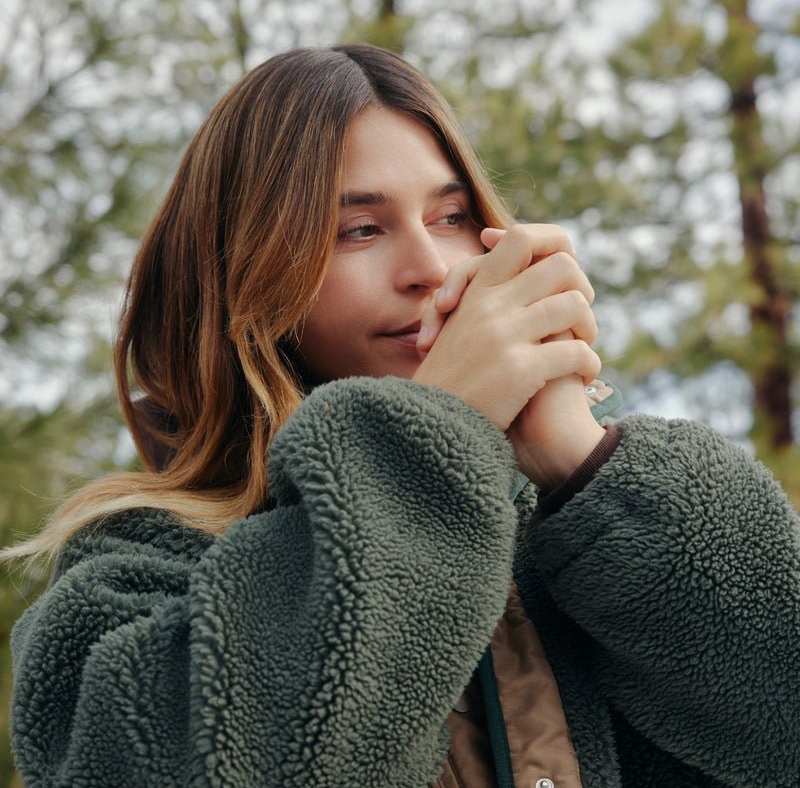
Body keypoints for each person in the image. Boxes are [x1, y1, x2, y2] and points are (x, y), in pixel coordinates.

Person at [4, 44, 798, 788]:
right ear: (246, 278)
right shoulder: (132, 572)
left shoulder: (607, 528)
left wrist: (578, 464)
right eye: (360, 229)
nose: (429, 267)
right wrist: (428, 441)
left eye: (451, 217)